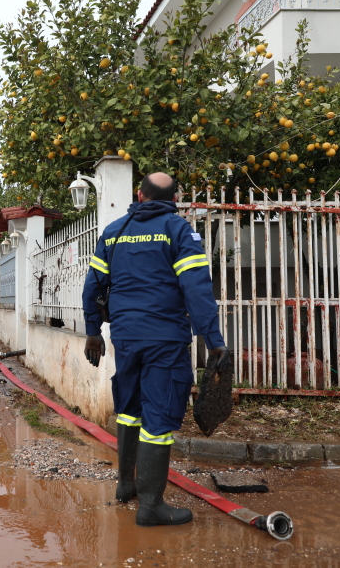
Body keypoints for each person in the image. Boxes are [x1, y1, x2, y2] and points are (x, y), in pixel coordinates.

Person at [81, 171, 227, 527]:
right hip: (165, 339)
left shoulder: (114, 231)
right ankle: (151, 506)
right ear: (173, 198)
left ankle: (126, 484)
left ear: (139, 194)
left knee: (129, 408)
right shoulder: (178, 231)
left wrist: (93, 332)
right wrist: (214, 341)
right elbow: (197, 289)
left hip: (126, 337)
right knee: (158, 416)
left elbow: (92, 286)